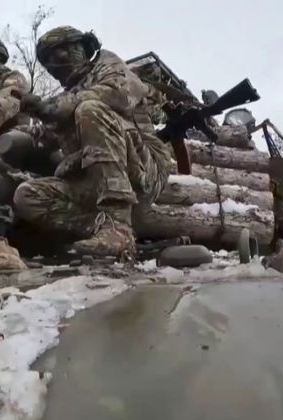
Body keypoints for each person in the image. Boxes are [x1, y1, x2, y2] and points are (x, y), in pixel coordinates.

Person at [12, 26, 175, 257]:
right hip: (94, 183)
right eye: (47, 59)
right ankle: (101, 226)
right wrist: (32, 127)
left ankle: (119, 228)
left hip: (144, 172)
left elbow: (115, 95)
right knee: (27, 195)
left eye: (58, 52)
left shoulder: (110, 65)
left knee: (89, 109)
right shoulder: (69, 95)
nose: (54, 63)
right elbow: (49, 133)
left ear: (81, 47)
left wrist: (53, 108)